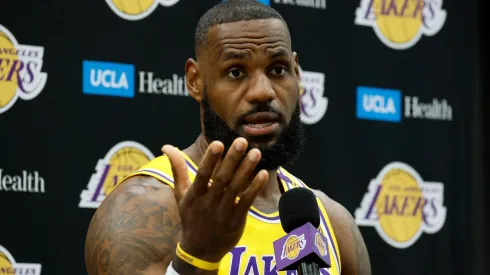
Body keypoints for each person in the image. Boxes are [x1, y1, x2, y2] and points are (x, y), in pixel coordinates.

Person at [84, 1, 371, 274]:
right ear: (196, 80)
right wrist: (193, 260)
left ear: (297, 73)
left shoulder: (332, 222)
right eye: (236, 72)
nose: (263, 91)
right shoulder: (143, 211)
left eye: (278, 70)